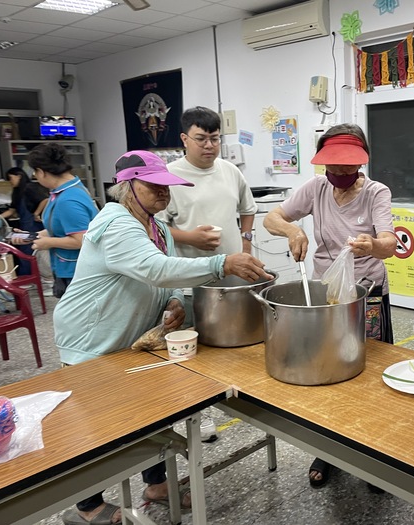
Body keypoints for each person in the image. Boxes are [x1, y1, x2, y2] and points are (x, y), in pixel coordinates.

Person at [54, 150, 269, 525]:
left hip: (130, 338)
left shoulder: (158, 227)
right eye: (152, 186)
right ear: (127, 187)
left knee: (146, 415)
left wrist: (172, 300)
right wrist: (221, 263)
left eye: (166, 186)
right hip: (91, 338)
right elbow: (153, 268)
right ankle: (87, 507)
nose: (162, 192)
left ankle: (155, 485)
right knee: (95, 426)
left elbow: (162, 278)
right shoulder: (116, 224)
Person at [263, 123, 397, 488]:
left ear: (360, 161)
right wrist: (294, 230)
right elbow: (272, 217)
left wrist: (372, 245)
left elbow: (389, 242)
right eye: (332, 166)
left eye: (346, 167)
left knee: (369, 370)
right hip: (327, 295)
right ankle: (329, 447)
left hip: (365, 295)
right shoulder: (315, 188)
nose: (338, 174)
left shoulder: (375, 193)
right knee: (328, 369)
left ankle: (376, 451)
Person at [157, 106, 258, 324]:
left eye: (214, 138)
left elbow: (248, 210)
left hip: (232, 278)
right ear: (185, 139)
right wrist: (190, 238)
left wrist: (246, 243)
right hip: (191, 284)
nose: (209, 145)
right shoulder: (168, 177)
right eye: (201, 139)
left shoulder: (230, 171)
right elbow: (156, 228)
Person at [18, 143, 99, 297]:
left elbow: (82, 239)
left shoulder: (68, 199)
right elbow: (62, 227)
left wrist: (47, 243)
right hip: (68, 268)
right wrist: (37, 235)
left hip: (76, 272)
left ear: (42, 172)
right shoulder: (64, 191)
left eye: (35, 172)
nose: (35, 176)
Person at [0, 167, 49, 275]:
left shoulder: (29, 187)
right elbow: (12, 210)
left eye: (11, 178)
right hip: (24, 224)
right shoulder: (16, 192)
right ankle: (27, 276)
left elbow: (45, 200)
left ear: (19, 176)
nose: (10, 181)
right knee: (24, 251)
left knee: (31, 251)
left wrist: (36, 213)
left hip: (33, 224)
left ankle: (32, 276)